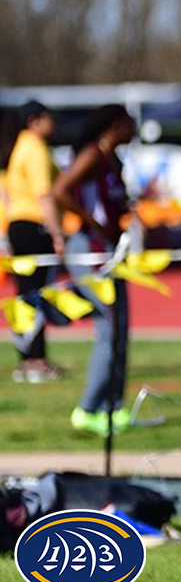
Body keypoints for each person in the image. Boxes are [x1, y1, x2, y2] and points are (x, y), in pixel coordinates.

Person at [49, 104, 136, 437]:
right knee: (109, 329)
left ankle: (113, 407)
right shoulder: (91, 155)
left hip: (113, 251)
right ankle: (86, 409)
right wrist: (91, 220)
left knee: (121, 328)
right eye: (129, 123)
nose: (134, 129)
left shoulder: (115, 160)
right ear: (115, 124)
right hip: (90, 250)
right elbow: (59, 191)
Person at [2, 101, 64, 383]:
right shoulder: (35, 147)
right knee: (34, 295)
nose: (54, 123)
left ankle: (28, 360)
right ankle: (36, 361)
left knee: (25, 296)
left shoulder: (17, 147)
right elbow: (44, 194)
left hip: (18, 225)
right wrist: (57, 233)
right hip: (33, 225)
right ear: (35, 121)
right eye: (49, 117)